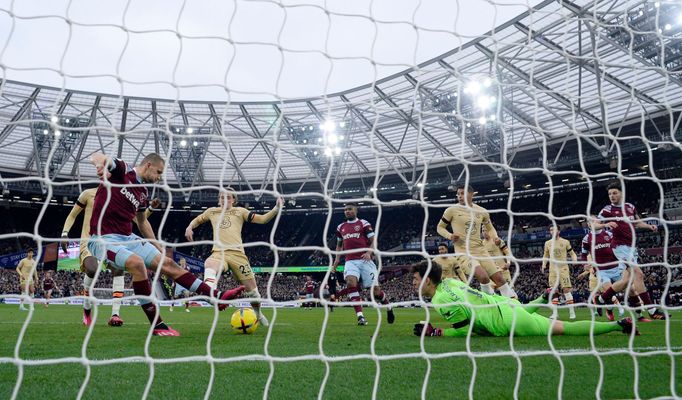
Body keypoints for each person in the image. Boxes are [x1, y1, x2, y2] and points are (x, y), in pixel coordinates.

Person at [87, 152, 244, 336]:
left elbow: (142, 221)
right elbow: (97, 156)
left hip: (127, 238)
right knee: (137, 264)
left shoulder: (143, 192)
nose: (159, 178)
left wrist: (159, 248)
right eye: (159, 172)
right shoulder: (123, 170)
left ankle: (216, 296)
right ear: (148, 166)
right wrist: (100, 165)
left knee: (168, 264)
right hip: (102, 239)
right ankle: (157, 325)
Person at [410, 261, 637, 338]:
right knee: (536, 316)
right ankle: (543, 297)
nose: (412, 283)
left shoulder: (440, 300)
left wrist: (437, 332)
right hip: (505, 306)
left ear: (428, 280)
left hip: (508, 321)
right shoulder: (451, 282)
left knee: (564, 329)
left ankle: (618, 325)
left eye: (416, 279)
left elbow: (465, 329)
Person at [184, 188, 283, 327]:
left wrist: (276, 208)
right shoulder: (211, 212)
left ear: (234, 200)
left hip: (238, 255)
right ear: (219, 199)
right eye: (222, 197)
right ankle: (212, 296)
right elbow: (197, 220)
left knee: (253, 293)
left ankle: (258, 314)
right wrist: (189, 227)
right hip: (219, 253)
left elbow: (262, 220)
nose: (225, 200)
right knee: (209, 264)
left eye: (228, 197)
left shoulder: (240, 212)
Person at [62, 189, 159, 326]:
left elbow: (138, 220)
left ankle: (115, 314)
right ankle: (87, 309)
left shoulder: (121, 196)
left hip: (111, 241)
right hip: (89, 240)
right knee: (92, 270)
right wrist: (65, 234)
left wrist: (150, 208)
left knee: (118, 270)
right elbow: (72, 215)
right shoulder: (88, 194)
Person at [594, 182, 665, 320]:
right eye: (610, 194)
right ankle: (652, 310)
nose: (612, 196)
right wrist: (605, 224)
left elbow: (637, 222)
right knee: (638, 274)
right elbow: (595, 225)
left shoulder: (630, 207)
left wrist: (649, 226)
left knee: (626, 281)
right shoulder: (607, 210)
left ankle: (601, 299)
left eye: (614, 193)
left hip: (632, 248)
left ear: (621, 193)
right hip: (619, 247)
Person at [436, 185, 517, 298]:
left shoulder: (482, 211)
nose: (459, 196)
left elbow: (490, 228)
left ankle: (514, 304)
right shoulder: (451, 210)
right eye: (458, 194)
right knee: (483, 277)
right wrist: (450, 236)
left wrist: (495, 237)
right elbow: (439, 228)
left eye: (462, 193)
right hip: (463, 252)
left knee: (500, 279)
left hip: (480, 250)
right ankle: (490, 303)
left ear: (471, 194)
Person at [332, 203, 394, 326]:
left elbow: (373, 241)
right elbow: (339, 246)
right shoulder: (340, 227)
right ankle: (360, 316)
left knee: (376, 292)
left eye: (350, 209)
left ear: (356, 210)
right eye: (345, 210)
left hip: (366, 260)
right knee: (350, 283)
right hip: (350, 261)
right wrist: (336, 260)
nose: (347, 211)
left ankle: (389, 307)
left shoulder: (364, 224)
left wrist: (368, 252)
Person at [581, 217, 626, 321]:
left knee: (630, 289)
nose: (591, 223)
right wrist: (584, 264)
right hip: (601, 271)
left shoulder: (609, 234)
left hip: (616, 268)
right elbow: (583, 255)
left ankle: (604, 305)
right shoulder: (587, 238)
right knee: (609, 290)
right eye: (589, 222)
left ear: (599, 221)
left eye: (593, 220)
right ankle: (610, 311)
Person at [541, 226, 578, 319]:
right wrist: (543, 265)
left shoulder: (565, 242)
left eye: (554, 229)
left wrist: (575, 260)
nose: (552, 231)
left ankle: (572, 312)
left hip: (563, 269)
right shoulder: (547, 243)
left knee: (566, 290)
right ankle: (555, 313)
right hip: (552, 270)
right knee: (553, 291)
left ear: (559, 231)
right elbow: (545, 256)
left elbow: (572, 253)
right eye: (551, 230)